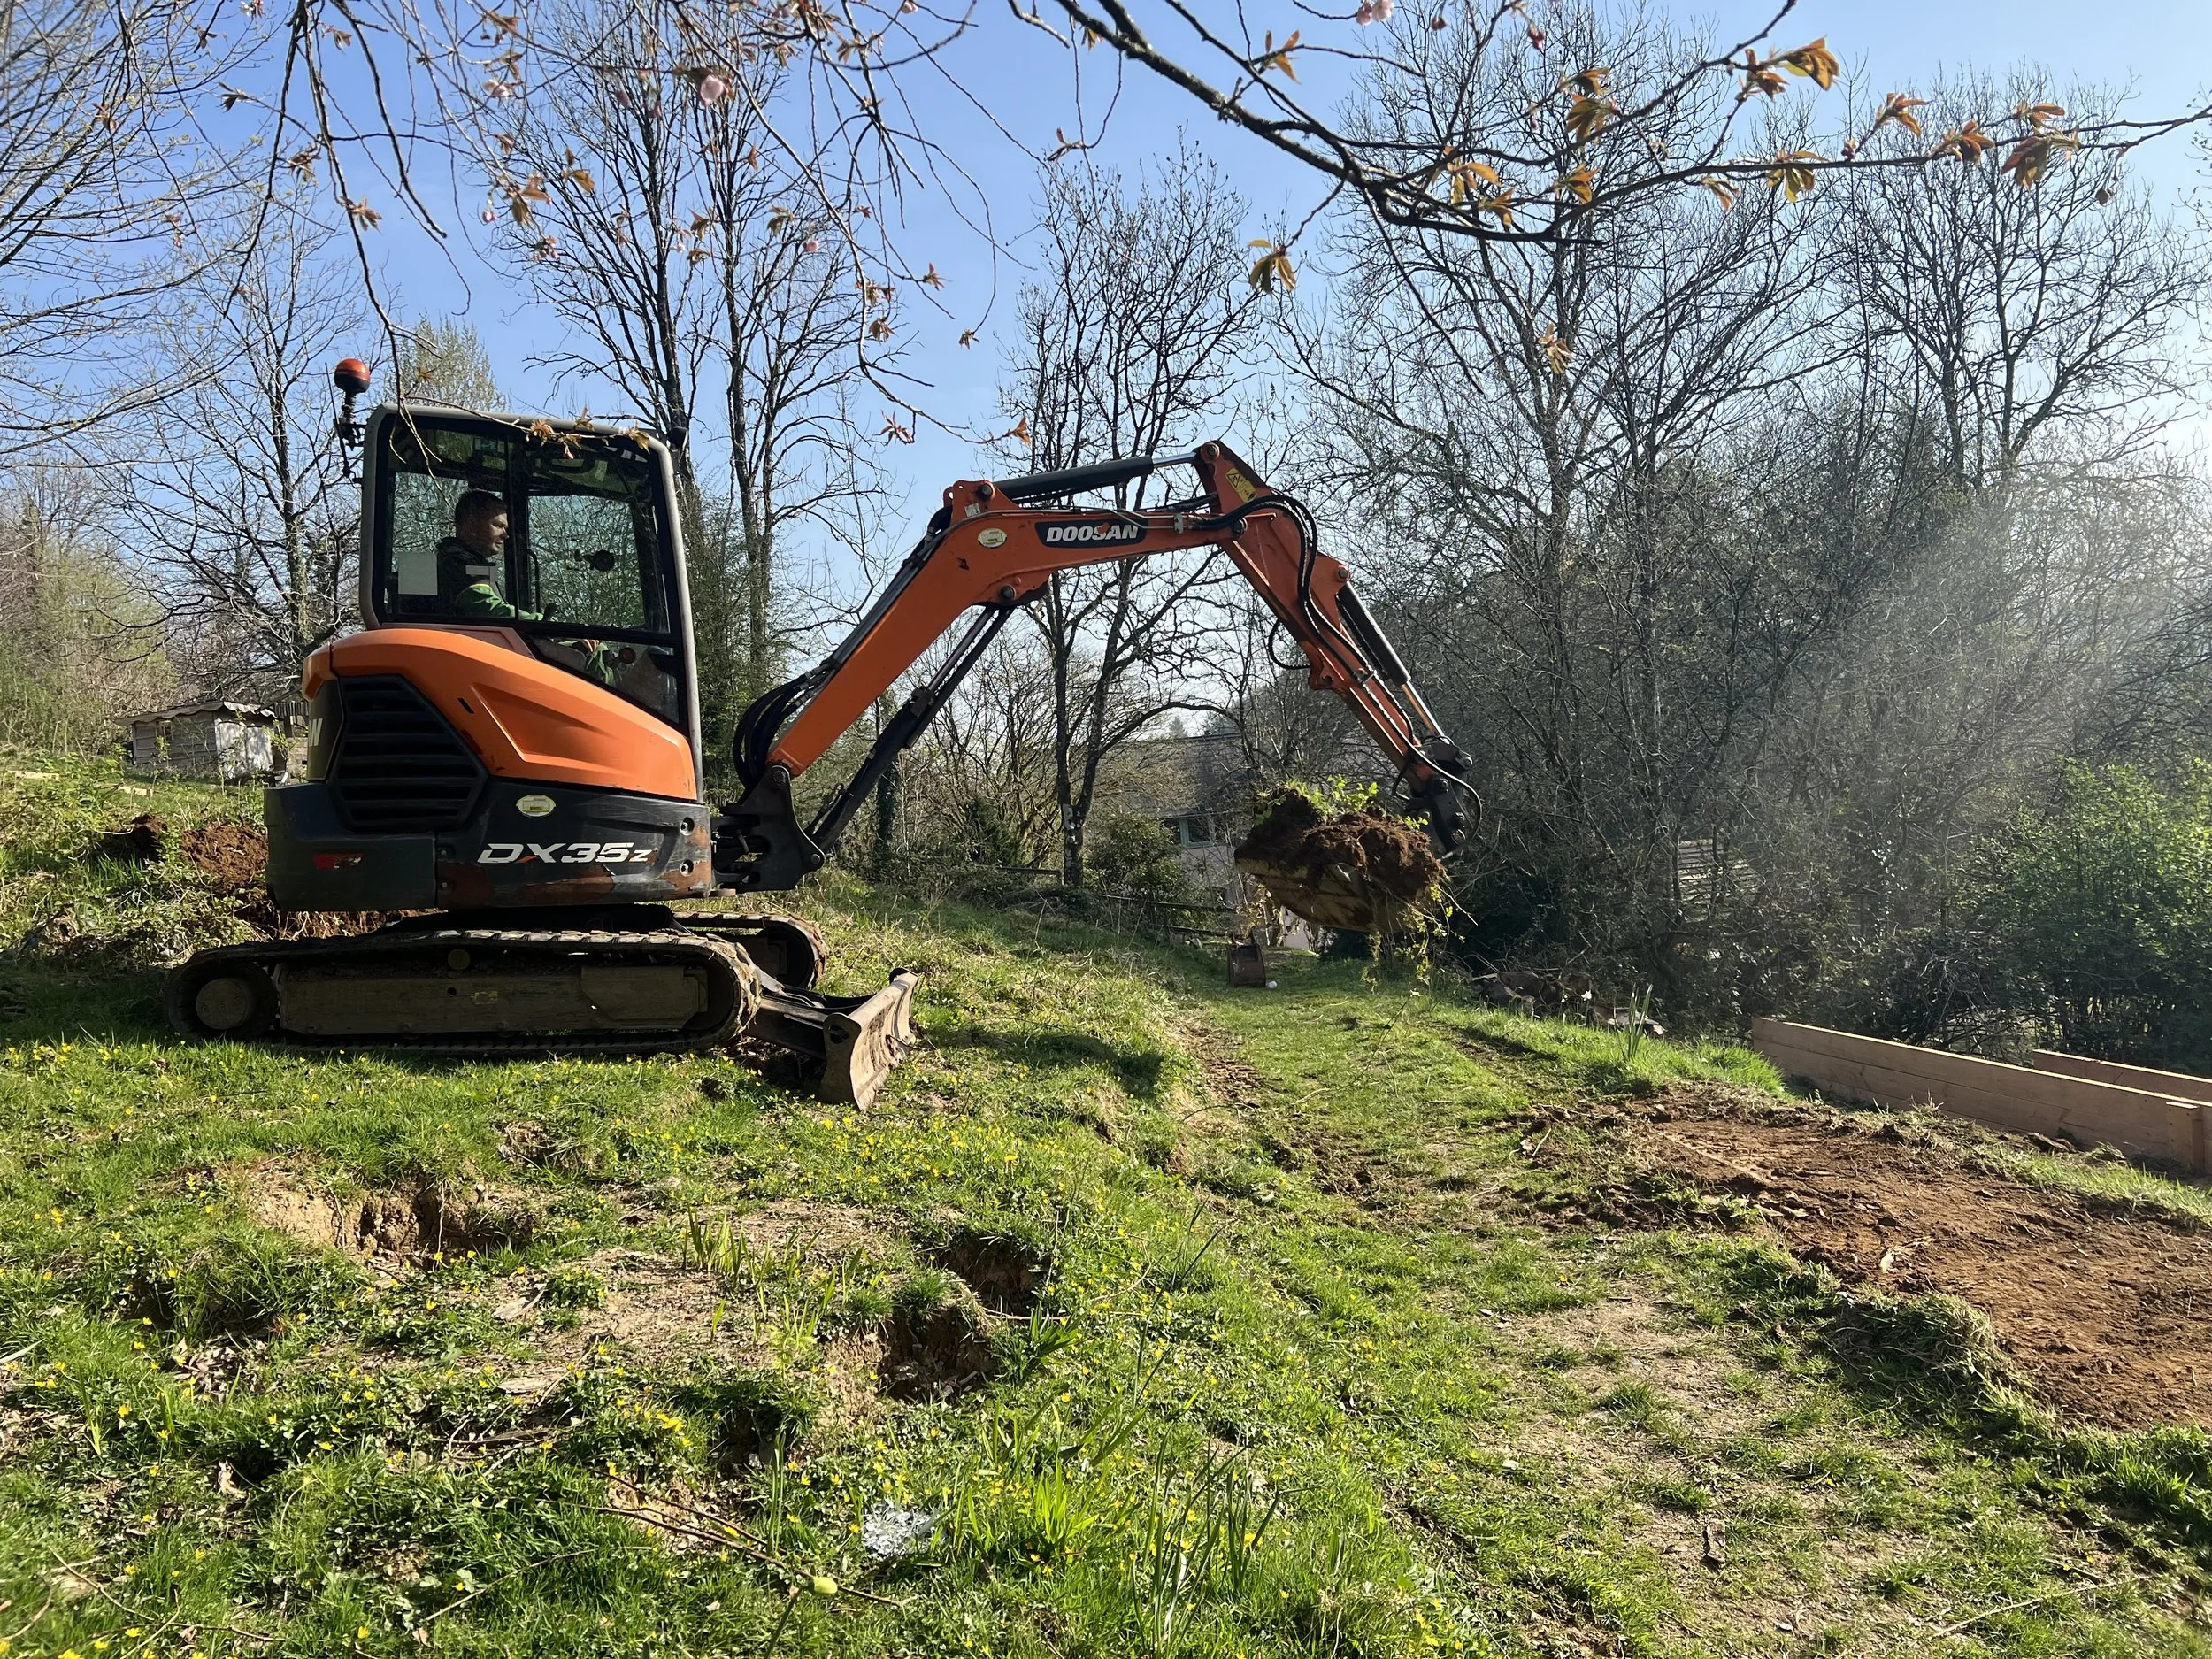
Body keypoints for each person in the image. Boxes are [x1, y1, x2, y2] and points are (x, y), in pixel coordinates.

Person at [435, 490, 536, 619]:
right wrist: (543, 623)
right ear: (471, 523)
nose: (505, 535)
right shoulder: (458, 566)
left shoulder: (471, 564)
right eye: (498, 525)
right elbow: (492, 611)